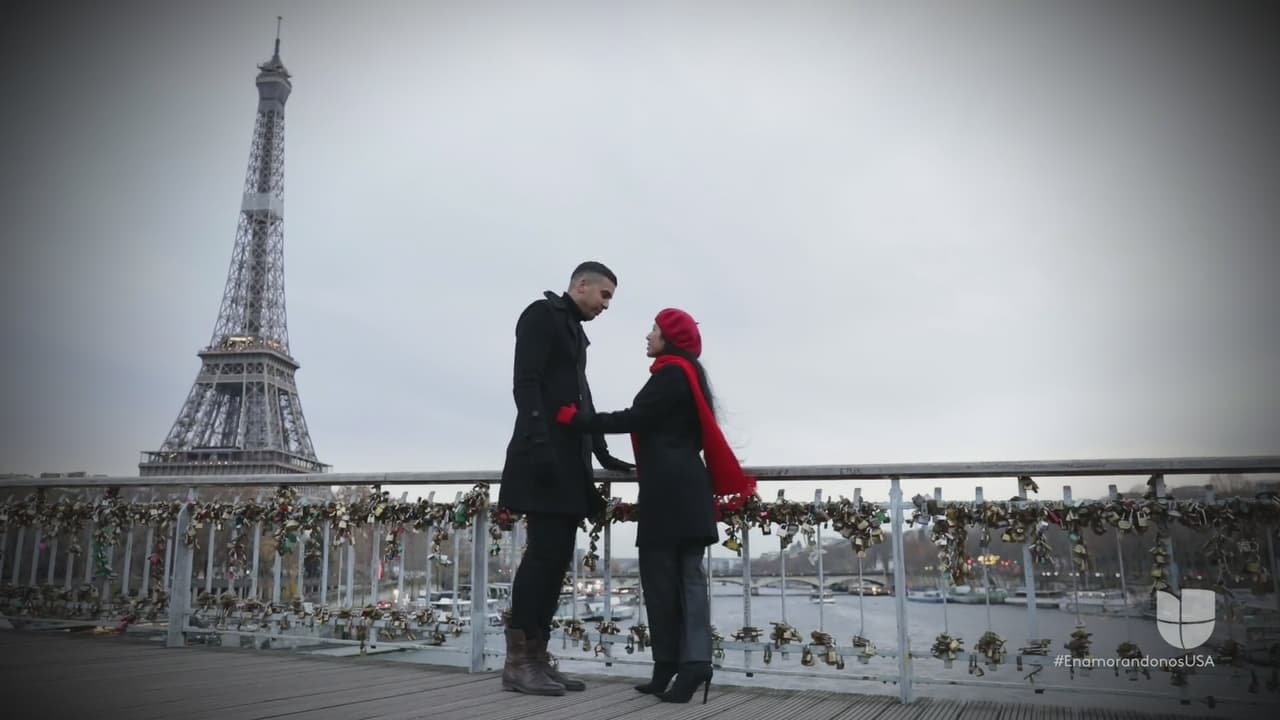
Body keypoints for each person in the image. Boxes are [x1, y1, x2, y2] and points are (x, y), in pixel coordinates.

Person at [555, 308, 755, 704]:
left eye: (655, 331)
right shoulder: (687, 375)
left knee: (665, 584)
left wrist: (575, 420)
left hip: (669, 492)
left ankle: (685, 663)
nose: (648, 337)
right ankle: (674, 665)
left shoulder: (671, 376)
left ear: (670, 338)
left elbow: (635, 418)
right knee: (685, 582)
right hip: (686, 489)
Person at [497, 261, 637, 696]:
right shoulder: (541, 315)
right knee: (542, 559)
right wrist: (539, 444)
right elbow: (526, 383)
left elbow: (582, 397)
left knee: (555, 562)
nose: (606, 305)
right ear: (581, 285)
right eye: (605, 296)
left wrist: (601, 452)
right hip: (546, 457)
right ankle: (519, 663)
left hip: (566, 459)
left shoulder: (574, 330)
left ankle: (536, 658)